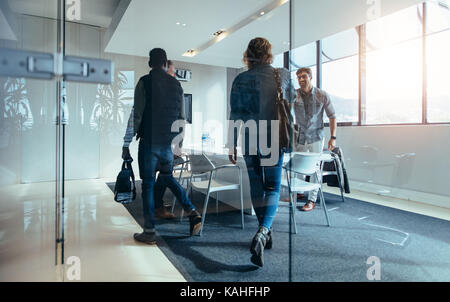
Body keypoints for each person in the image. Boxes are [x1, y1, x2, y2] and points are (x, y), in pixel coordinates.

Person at [122, 48, 202, 244]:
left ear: (150, 63)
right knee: (168, 179)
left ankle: (149, 231)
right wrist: (177, 146)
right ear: (166, 63)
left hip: (149, 145)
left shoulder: (144, 82)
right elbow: (181, 119)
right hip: (168, 146)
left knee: (148, 186)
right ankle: (192, 212)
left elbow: (137, 115)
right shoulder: (177, 86)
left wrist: (126, 142)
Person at [227, 37, 295, 267]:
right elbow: (290, 102)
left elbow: (234, 114)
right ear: (269, 54)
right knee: (273, 188)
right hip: (274, 138)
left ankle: (264, 231)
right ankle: (263, 231)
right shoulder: (282, 75)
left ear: (248, 55)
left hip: (249, 140)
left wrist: (231, 144)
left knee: (257, 188)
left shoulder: (240, 79)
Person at [293, 67, 337, 212]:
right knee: (297, 166)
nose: (301, 80)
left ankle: (311, 200)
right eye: (298, 77)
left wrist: (333, 138)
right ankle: (298, 192)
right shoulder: (294, 94)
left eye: (304, 76)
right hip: (299, 136)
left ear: (311, 77)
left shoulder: (321, 95)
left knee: (314, 168)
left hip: (316, 137)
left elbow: (332, 117)